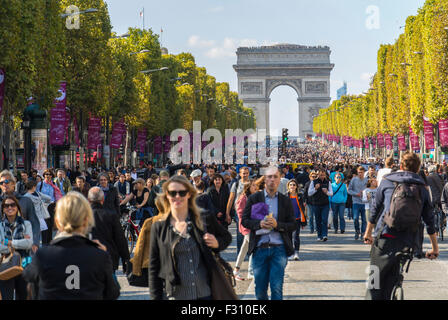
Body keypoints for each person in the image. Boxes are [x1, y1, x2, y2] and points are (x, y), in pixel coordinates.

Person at [363, 152, 439, 300]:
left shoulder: (387, 182)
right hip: (409, 240)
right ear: (418, 169)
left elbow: (375, 210)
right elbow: (430, 221)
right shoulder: (422, 188)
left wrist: (368, 233)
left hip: (385, 236)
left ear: (401, 166)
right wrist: (434, 248)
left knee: (375, 280)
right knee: (395, 276)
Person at [22, 192, 120, 300]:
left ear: (58, 221)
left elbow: (27, 277)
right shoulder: (100, 256)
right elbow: (113, 293)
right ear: (86, 220)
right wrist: (106, 257)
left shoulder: (43, 255)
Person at [148, 175, 232, 300]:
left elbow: (226, 237)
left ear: (189, 194)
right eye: (172, 193)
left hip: (205, 293)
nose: (177, 196)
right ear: (166, 195)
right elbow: (154, 268)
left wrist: (217, 243)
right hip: (175, 295)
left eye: (182, 192)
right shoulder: (159, 227)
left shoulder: (204, 218)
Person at [242, 166, 296, 300]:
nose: (272, 179)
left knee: (276, 288)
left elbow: (293, 224)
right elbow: (245, 220)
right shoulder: (255, 198)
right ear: (264, 179)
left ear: (280, 180)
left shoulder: (285, 200)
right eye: (269, 177)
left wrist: (278, 225)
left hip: (279, 249)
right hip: (260, 248)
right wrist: (258, 224)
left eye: (275, 177)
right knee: (260, 290)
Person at [88, 187, 130, 274]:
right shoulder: (111, 216)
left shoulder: (82, 217)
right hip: (108, 258)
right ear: (103, 200)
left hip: (88, 259)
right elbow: (120, 239)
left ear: (89, 200)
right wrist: (126, 259)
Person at [0, 196, 33, 300]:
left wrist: (8, 242)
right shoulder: (0, 226)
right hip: (6, 264)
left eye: (12, 205)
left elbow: (28, 243)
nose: (10, 207)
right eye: (6, 205)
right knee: (7, 296)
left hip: (25, 263)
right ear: (3, 209)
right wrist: (19, 244)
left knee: (24, 295)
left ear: (17, 207)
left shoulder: (26, 224)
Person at [1, 170, 40, 253]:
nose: (4, 184)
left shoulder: (25, 201)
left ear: (14, 183)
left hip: (24, 247)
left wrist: (35, 243)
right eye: (1, 183)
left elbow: (34, 222)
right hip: (3, 249)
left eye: (7, 181)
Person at [233, 180, 257, 281]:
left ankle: (236, 270)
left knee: (244, 248)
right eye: (253, 185)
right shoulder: (243, 198)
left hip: (252, 226)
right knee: (253, 247)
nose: (255, 187)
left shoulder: (253, 197)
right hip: (247, 226)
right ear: (248, 187)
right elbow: (240, 213)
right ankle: (251, 272)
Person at [226, 166, 250, 255]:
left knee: (250, 233)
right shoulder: (236, 184)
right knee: (240, 233)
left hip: (251, 212)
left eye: (247, 173)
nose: (245, 175)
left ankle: (249, 251)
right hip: (239, 212)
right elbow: (231, 199)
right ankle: (240, 253)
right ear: (240, 174)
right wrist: (227, 213)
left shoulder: (252, 183)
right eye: (243, 173)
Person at [37, 169, 62, 244]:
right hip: (43, 206)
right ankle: (44, 243)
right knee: (44, 225)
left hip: (51, 206)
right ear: (44, 175)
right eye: (46, 174)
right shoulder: (40, 184)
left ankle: (50, 241)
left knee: (50, 224)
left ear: (52, 176)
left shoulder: (54, 184)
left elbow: (57, 195)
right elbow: (37, 194)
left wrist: (57, 205)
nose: (48, 176)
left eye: (50, 174)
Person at [308, 169, 333, 241]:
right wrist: (315, 189)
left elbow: (331, 193)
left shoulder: (328, 182)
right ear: (317, 175)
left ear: (325, 175)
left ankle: (325, 235)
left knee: (324, 220)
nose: (322, 176)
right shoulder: (313, 182)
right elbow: (309, 193)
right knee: (318, 220)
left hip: (325, 204)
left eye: (323, 175)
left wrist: (327, 192)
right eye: (320, 175)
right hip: (316, 204)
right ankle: (319, 235)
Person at [287, 179, 306, 261]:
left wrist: (304, 220)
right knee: (288, 237)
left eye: (294, 185)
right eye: (291, 185)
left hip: (297, 219)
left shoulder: (300, 195)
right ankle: (290, 253)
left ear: (296, 186)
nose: (292, 186)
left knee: (296, 236)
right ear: (288, 186)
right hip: (288, 220)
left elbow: (303, 208)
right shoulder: (285, 196)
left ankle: (296, 252)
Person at [348, 166, 368, 240]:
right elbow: (349, 190)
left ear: (364, 173)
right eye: (359, 172)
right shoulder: (354, 180)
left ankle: (363, 233)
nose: (360, 174)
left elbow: (370, 189)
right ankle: (357, 230)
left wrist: (366, 193)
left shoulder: (367, 180)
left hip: (365, 202)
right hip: (356, 202)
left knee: (364, 220)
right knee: (355, 218)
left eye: (361, 172)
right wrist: (356, 194)